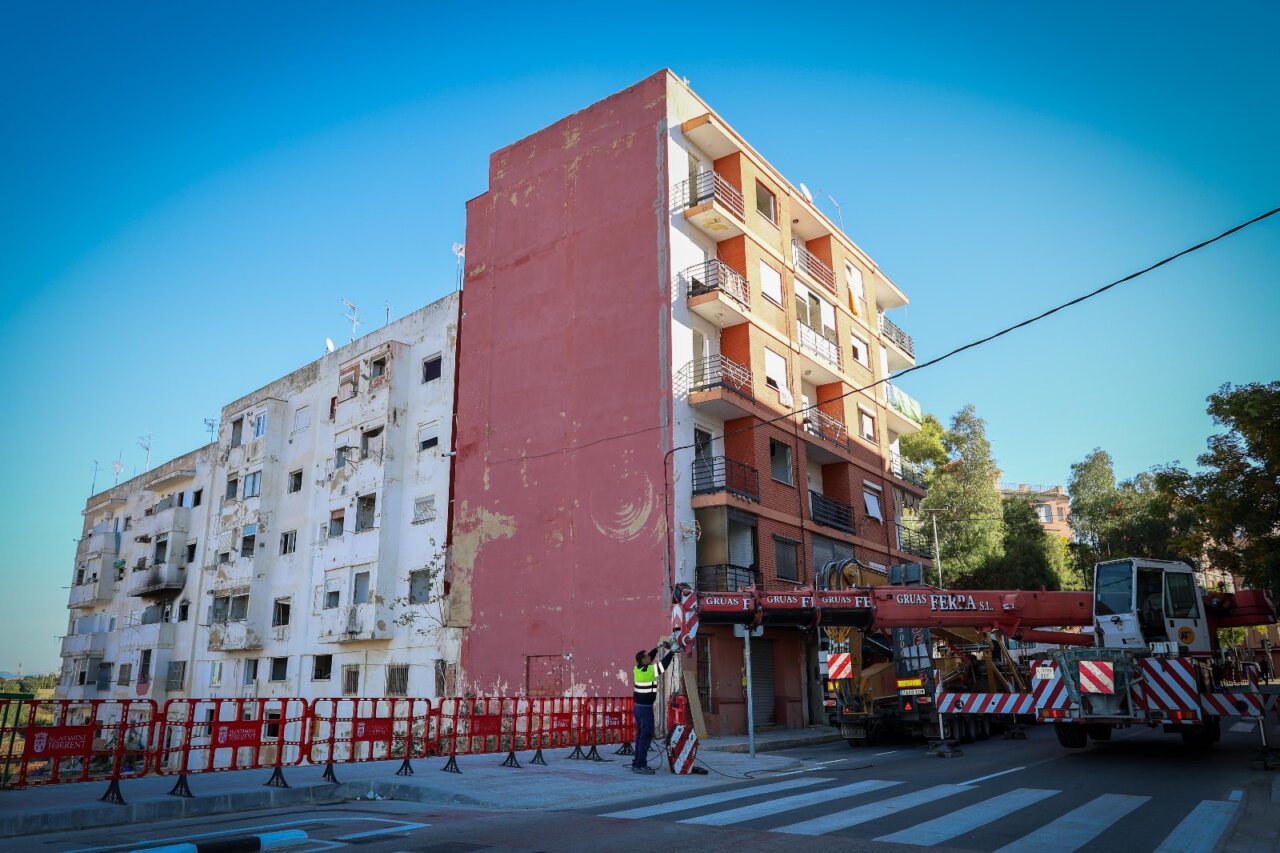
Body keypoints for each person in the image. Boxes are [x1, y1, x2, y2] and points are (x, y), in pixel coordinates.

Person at [632, 638, 676, 775]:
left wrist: (657, 648)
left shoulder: (637, 668)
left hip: (638, 708)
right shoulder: (649, 671)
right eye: (647, 656)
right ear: (644, 660)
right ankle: (640, 764)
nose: (649, 657)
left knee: (640, 734)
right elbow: (663, 666)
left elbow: (648, 658)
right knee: (646, 735)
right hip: (645, 709)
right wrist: (672, 652)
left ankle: (637, 762)